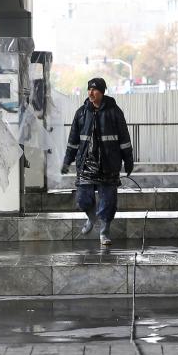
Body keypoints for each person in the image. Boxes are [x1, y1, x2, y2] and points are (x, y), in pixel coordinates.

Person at [61, 77, 134, 245]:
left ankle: (104, 231)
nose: (91, 93)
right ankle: (92, 218)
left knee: (108, 201)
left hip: (109, 163)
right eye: (89, 90)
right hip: (86, 163)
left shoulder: (115, 112)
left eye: (94, 90)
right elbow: (73, 141)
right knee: (82, 199)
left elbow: (124, 139)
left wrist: (128, 161)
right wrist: (67, 160)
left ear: (102, 92)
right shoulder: (81, 112)